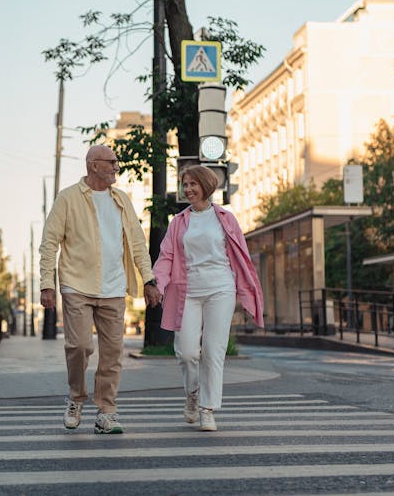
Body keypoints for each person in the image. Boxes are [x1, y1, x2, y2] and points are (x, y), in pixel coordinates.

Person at [39, 144, 155, 434]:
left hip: (114, 288)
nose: (117, 167)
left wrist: (149, 279)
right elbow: (49, 243)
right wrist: (46, 284)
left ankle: (106, 410)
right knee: (79, 346)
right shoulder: (67, 198)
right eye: (112, 162)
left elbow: (138, 244)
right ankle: (76, 397)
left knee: (113, 352)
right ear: (94, 165)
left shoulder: (122, 200)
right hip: (76, 284)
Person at [146, 164, 264, 432]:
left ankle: (207, 408)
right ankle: (192, 392)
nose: (187, 189)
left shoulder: (225, 218)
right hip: (187, 290)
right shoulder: (178, 222)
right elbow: (166, 257)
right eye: (185, 185)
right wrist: (157, 283)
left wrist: (246, 291)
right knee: (186, 352)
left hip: (221, 288)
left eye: (192, 184)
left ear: (206, 186)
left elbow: (242, 257)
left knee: (213, 350)